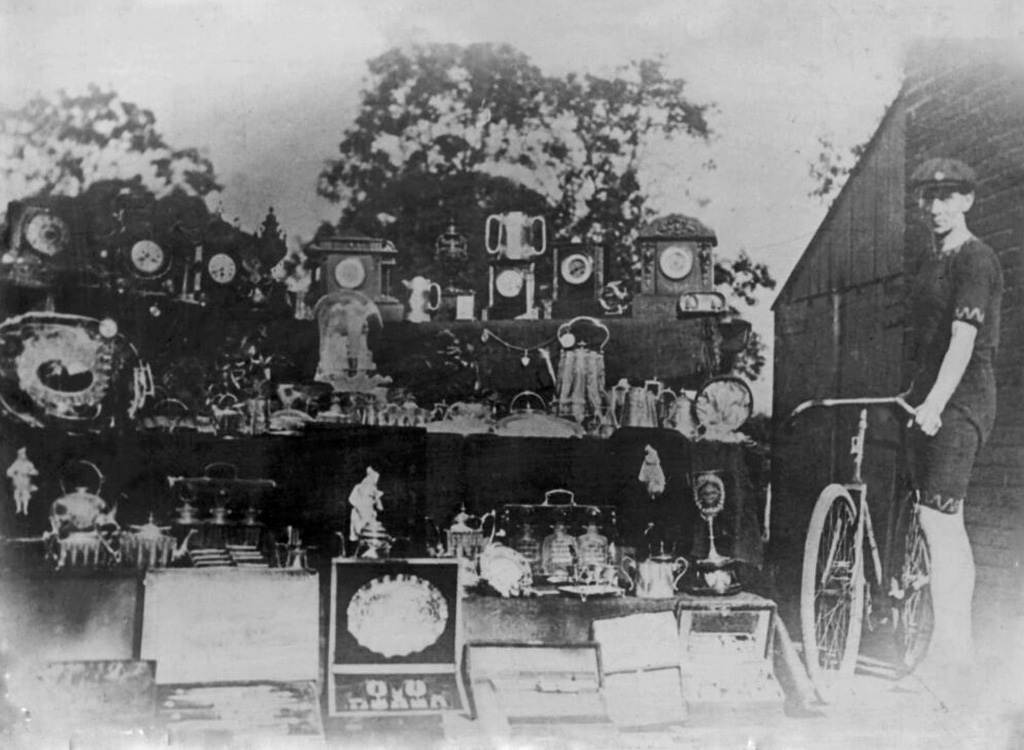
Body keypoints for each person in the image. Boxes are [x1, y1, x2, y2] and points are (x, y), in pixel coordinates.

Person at [904, 157, 1003, 675]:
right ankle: (944, 645)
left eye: (948, 197)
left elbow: (963, 340)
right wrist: (917, 397)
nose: (936, 207)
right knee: (935, 519)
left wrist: (937, 404)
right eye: (928, 197)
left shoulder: (975, 258)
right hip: (927, 398)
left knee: (939, 521)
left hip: (961, 400)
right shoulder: (930, 261)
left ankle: (951, 652)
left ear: (967, 200)